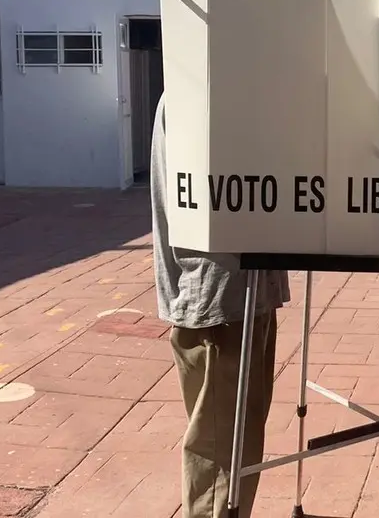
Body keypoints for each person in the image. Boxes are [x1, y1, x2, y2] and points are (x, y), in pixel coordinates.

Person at [149, 97, 291, 518]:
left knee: (237, 445)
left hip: (242, 287)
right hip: (223, 294)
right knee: (220, 459)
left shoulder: (229, 73)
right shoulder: (207, 80)